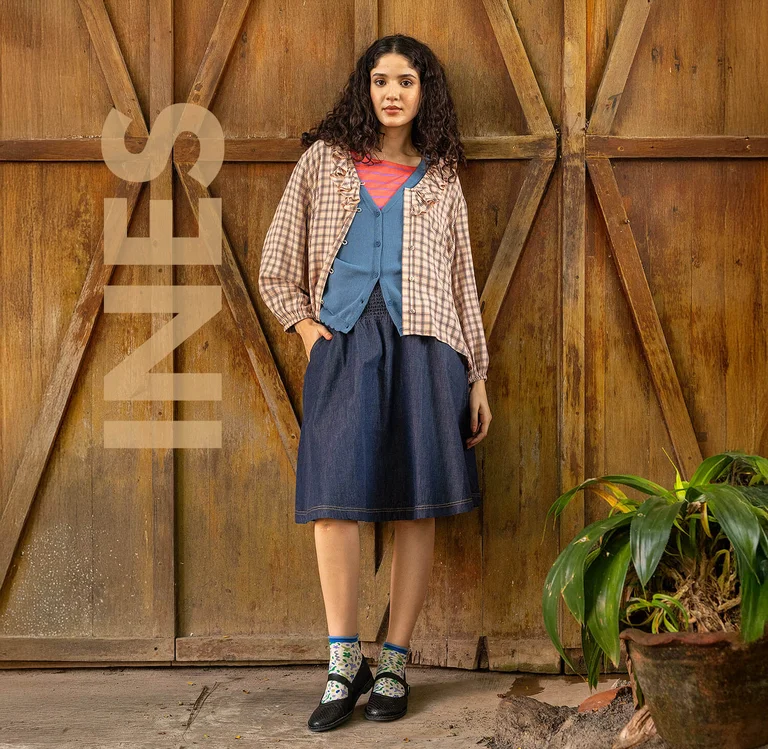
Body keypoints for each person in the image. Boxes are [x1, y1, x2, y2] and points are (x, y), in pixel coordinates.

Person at [258, 33, 492, 733]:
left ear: (426, 95)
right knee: (334, 498)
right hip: (343, 342)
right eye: (382, 80)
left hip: (428, 348)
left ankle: (393, 661)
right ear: (365, 88)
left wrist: (476, 374)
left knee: (415, 502)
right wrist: (303, 328)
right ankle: (342, 660)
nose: (393, 92)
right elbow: (277, 258)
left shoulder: (442, 177)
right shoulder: (323, 164)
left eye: (408, 82)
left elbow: (462, 282)